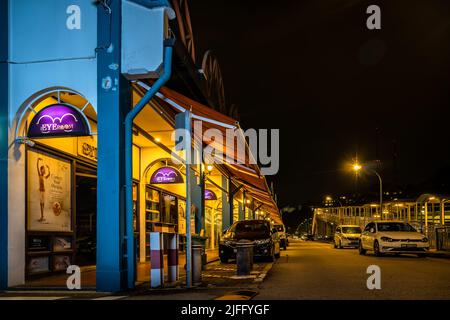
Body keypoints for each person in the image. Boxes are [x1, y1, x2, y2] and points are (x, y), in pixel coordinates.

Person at [37, 157, 50, 222]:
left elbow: (49, 175)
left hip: (44, 192)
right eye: (42, 169)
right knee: (41, 203)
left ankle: (42, 216)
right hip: (40, 191)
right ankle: (41, 216)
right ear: (41, 170)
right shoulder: (40, 175)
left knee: (43, 203)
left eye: (44, 169)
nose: (43, 170)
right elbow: (37, 167)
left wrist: (48, 168)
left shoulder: (44, 176)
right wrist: (38, 161)